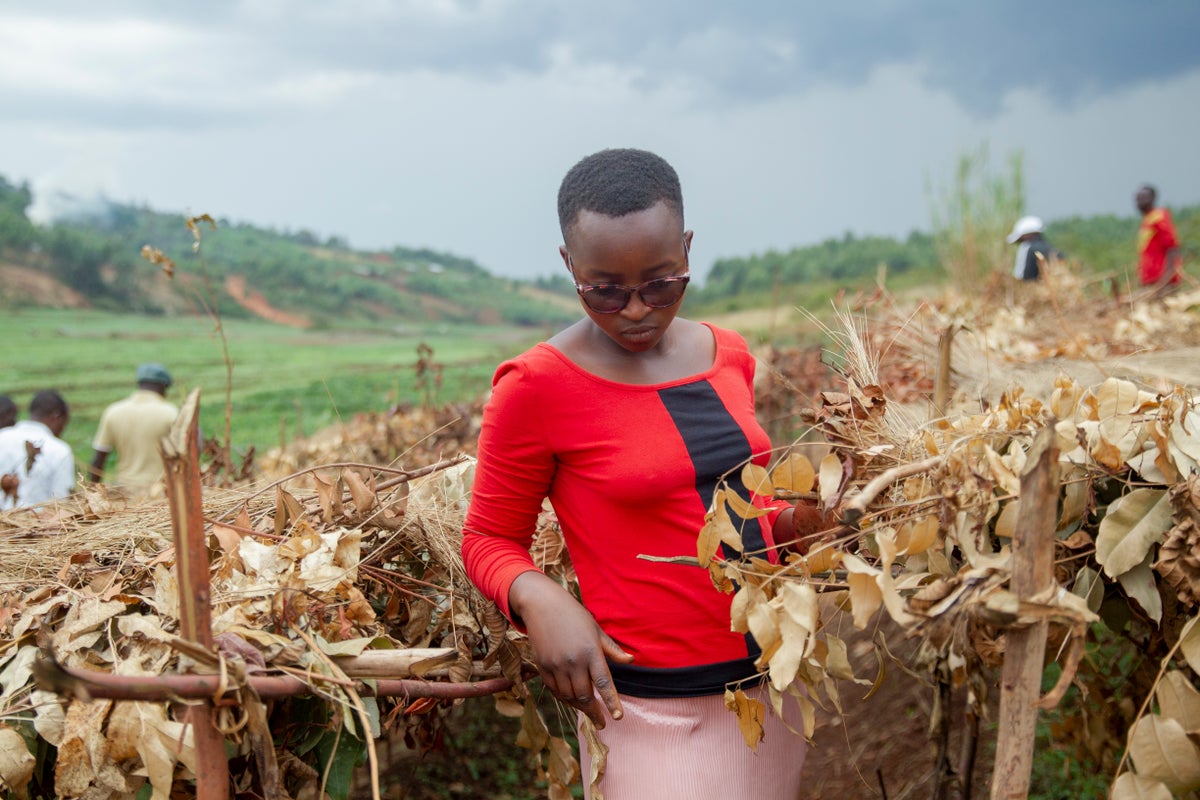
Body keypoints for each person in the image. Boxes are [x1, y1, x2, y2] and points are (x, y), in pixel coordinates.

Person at [461, 148, 812, 798]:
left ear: (686, 250)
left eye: (660, 283)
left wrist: (810, 523)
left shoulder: (727, 356)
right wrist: (540, 600)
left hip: (769, 689)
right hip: (648, 710)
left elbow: (740, 523)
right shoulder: (537, 386)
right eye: (605, 290)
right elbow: (487, 539)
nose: (636, 310)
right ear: (569, 266)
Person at [88, 363, 179, 494]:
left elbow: (99, 458)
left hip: (124, 492)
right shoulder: (171, 413)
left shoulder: (113, 412)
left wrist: (92, 494)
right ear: (163, 386)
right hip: (160, 493)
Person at [0, 390, 75, 510]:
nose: (62, 429)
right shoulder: (60, 450)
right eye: (64, 423)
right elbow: (62, 503)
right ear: (57, 417)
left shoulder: (2, 436)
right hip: (38, 525)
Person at [1135, 184, 1182, 293]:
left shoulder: (1159, 217)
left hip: (1161, 282)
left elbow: (1172, 248)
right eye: (1137, 199)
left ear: (1152, 199)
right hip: (1150, 282)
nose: (1139, 202)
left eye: (1143, 198)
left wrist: (1167, 278)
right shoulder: (1147, 220)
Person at [1006, 215, 1061, 281]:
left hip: (1033, 289)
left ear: (1026, 235)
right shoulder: (1051, 248)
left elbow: (1021, 276)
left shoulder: (1027, 247)